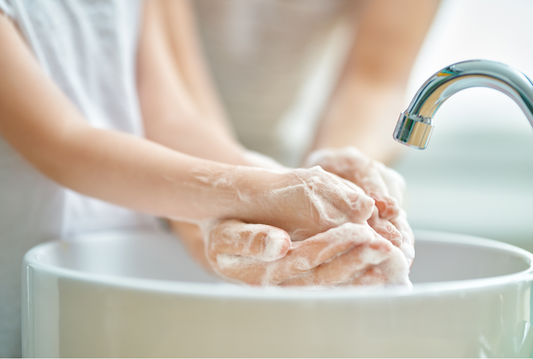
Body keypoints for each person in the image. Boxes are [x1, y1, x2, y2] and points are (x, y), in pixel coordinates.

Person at [0, 0, 427, 356]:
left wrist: (274, 190)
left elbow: (172, 117)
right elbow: (64, 144)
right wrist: (262, 192)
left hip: (120, 255)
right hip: (23, 271)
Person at [170, 0, 440, 283]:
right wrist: (232, 191)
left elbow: (375, 77)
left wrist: (338, 175)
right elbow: (168, 87)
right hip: (163, 151)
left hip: (276, 159)